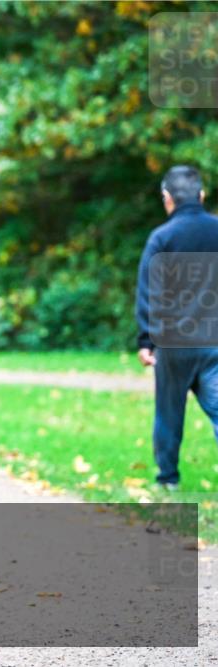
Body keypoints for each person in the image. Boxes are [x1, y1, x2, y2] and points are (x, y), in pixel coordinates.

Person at [136, 165, 218, 490]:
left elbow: (149, 292)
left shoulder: (162, 238)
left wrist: (146, 339)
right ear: (201, 195)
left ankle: (167, 480)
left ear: (167, 198)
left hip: (173, 342)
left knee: (169, 414)